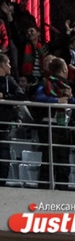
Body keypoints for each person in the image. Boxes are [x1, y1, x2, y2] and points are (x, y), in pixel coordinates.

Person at [34, 57, 75, 190]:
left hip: (64, 127)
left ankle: (62, 191)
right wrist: (57, 100)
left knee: (64, 163)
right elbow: (38, 98)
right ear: (64, 69)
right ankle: (44, 191)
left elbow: (73, 105)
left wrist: (70, 97)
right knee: (49, 161)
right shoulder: (45, 83)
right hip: (50, 126)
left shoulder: (67, 86)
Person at [0, 53, 26, 182]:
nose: (10, 66)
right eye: (8, 63)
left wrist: (4, 97)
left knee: (4, 160)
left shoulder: (9, 80)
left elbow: (20, 95)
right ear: (2, 65)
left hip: (4, 129)